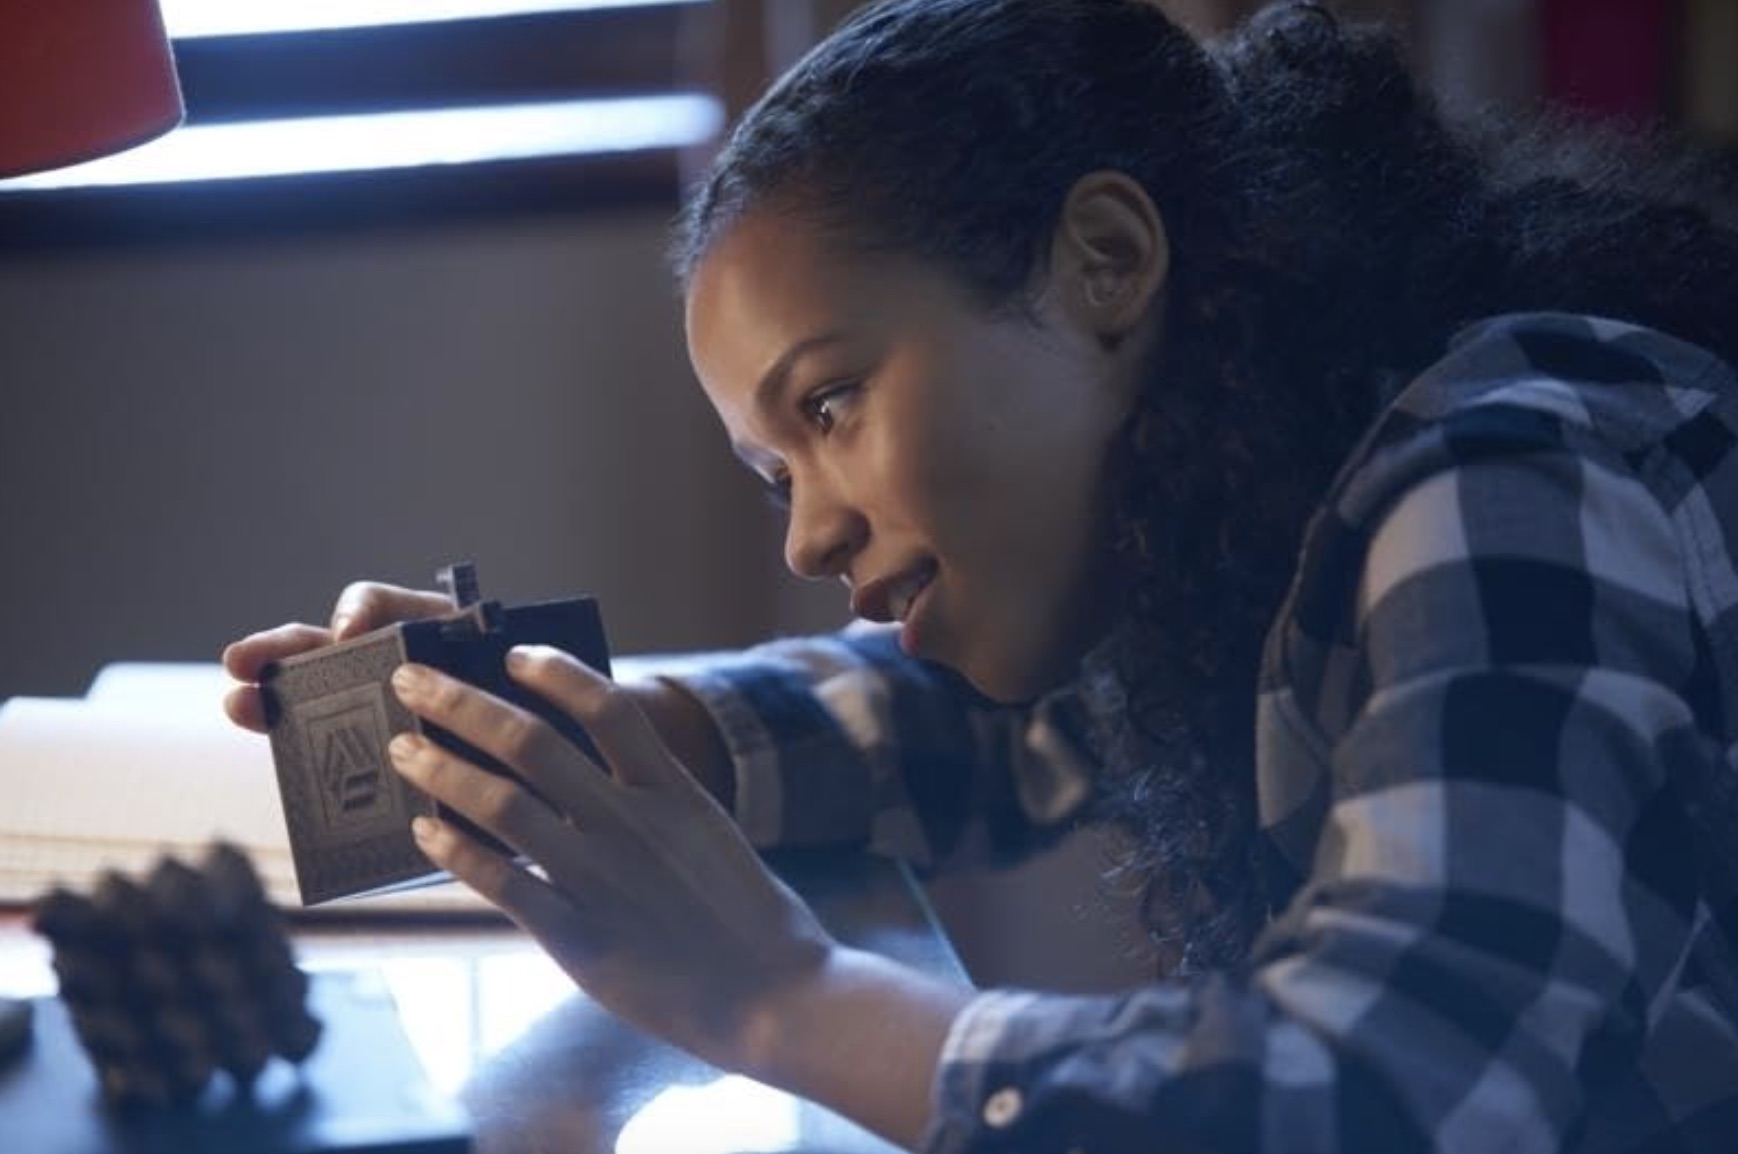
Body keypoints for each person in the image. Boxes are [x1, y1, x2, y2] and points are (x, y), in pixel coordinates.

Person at [222, 0, 1738, 1150]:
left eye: (830, 406)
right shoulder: (1234, 522)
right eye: (774, 475)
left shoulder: (1516, 476)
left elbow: (1377, 1090)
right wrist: (589, 736)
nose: (806, 537)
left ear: (1101, 258)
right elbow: (990, 725)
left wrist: (773, 993)